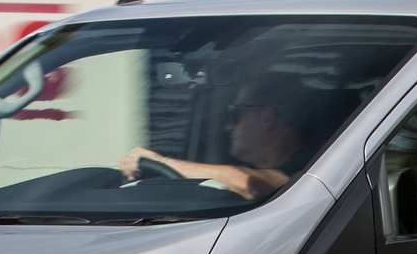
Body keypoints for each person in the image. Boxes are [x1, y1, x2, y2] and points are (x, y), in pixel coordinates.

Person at [116, 72, 333, 201]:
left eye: (236, 114)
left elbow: (253, 184)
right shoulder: (230, 164)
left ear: (267, 117)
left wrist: (161, 162)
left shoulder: (311, 164)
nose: (229, 126)